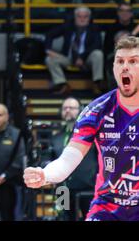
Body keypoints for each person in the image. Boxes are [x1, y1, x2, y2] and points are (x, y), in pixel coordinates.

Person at [25, 36, 139, 221]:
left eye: (133, 61)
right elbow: (68, 160)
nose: (125, 66)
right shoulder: (96, 110)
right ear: (114, 68)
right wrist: (45, 174)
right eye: (120, 61)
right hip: (108, 206)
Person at [50, 98, 97, 220]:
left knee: (90, 217)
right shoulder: (56, 138)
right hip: (62, 189)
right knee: (63, 218)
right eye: (65, 108)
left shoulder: (89, 135)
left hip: (87, 187)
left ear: (80, 111)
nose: (67, 111)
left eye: (71, 108)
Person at [45, 7, 104, 95]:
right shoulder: (68, 26)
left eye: (85, 17)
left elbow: (97, 45)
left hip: (86, 58)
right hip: (69, 58)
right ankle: (62, 84)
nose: (82, 19)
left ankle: (97, 83)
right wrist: (48, 50)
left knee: (98, 54)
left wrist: (81, 57)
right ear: (75, 17)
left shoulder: (94, 29)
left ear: (89, 18)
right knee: (49, 59)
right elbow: (49, 35)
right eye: (79, 16)